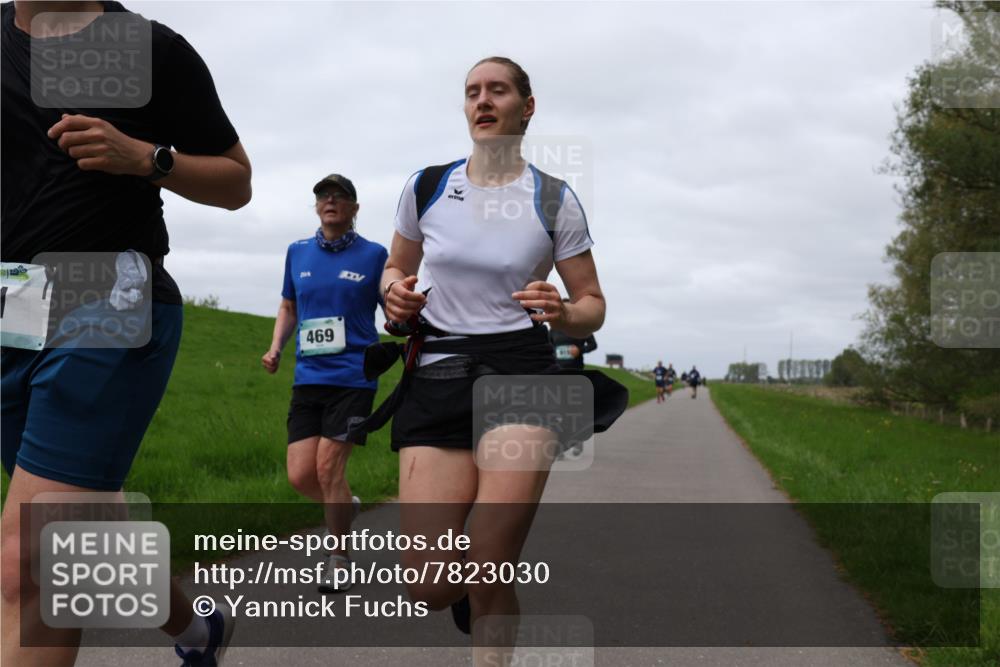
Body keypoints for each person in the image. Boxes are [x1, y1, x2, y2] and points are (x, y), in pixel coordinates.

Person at [1, 2, 251, 666]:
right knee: (91, 529)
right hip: (13, 307)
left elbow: (237, 182)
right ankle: (199, 629)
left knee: (33, 559)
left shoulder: (149, 48)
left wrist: (147, 157)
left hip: (111, 296)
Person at [361, 56, 626, 665]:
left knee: (488, 562)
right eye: (472, 92)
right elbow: (396, 269)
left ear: (525, 107)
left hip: (523, 374)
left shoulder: (554, 198)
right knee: (427, 585)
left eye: (498, 90)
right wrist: (393, 289)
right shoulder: (426, 186)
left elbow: (593, 305)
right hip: (439, 372)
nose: (483, 101)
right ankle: (474, 591)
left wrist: (562, 312)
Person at [261, 173, 386, 594]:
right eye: (323, 196)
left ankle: (339, 558)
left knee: (328, 468)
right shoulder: (297, 253)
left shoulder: (375, 255)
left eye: (340, 197)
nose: (330, 201)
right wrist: (276, 346)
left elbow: (394, 308)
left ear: (354, 208)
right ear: (316, 207)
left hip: (354, 376)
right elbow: (288, 305)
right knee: (301, 476)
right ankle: (343, 509)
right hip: (308, 378)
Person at [549, 300, 597, 371]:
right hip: (557, 370)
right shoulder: (553, 329)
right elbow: (549, 347)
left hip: (576, 369)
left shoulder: (582, 327)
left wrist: (579, 350)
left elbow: (593, 345)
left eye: (567, 310)